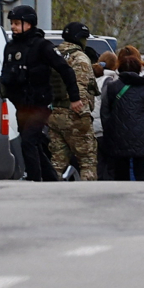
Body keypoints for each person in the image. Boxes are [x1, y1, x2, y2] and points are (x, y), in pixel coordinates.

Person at [0, 5, 81, 182]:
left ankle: (34, 182)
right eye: (11, 23)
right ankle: (52, 180)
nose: (12, 27)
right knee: (32, 143)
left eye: (16, 23)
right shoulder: (11, 47)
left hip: (40, 104)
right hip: (21, 104)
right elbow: (6, 75)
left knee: (28, 141)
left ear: (28, 24)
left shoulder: (42, 46)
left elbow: (65, 70)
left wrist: (74, 98)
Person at [48, 22, 99, 181]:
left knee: (57, 161)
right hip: (75, 114)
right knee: (87, 160)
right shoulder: (80, 58)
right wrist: (83, 114)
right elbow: (82, 87)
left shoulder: (53, 54)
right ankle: (88, 196)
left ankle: (48, 195)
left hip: (53, 113)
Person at [101, 56, 144, 181]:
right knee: (142, 175)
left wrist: (110, 130)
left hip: (117, 136)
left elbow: (104, 113)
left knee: (121, 175)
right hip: (143, 136)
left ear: (119, 69)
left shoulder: (111, 87)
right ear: (139, 69)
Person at [93, 51, 118, 180]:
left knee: (97, 165)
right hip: (105, 129)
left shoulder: (92, 78)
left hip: (92, 128)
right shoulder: (111, 81)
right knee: (110, 167)